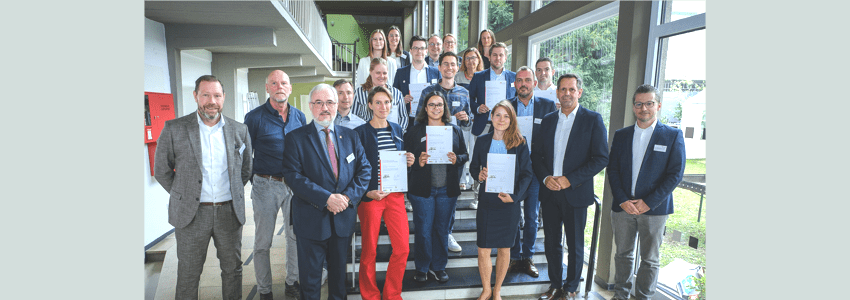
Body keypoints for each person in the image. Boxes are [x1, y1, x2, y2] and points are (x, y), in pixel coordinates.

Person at [153, 75, 252, 300]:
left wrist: (231, 193)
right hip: (192, 215)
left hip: (229, 213)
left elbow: (245, 170)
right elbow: (162, 171)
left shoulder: (239, 130)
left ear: (224, 98)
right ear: (196, 96)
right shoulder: (174, 129)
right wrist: (184, 196)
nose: (211, 101)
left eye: (217, 95)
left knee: (233, 271)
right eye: (205, 94)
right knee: (188, 274)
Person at [281, 84, 371, 300]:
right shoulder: (296, 138)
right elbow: (293, 177)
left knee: (338, 282)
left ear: (337, 105)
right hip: (311, 220)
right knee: (310, 282)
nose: (325, 107)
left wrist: (347, 197)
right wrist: (327, 198)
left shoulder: (350, 136)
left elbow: (364, 171)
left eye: (330, 102)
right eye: (319, 103)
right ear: (310, 106)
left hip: (342, 220)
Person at [532, 74, 609, 300]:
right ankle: (555, 284)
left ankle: (571, 287)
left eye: (571, 89)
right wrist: (546, 178)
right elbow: (536, 155)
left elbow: (601, 158)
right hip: (549, 192)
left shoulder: (592, 120)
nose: (566, 93)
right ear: (557, 93)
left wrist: (570, 179)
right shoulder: (547, 120)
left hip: (575, 192)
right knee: (552, 242)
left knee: (575, 245)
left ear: (579, 92)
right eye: (562, 89)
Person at [607, 84, 686, 300]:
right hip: (623, 208)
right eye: (639, 104)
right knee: (623, 255)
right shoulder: (621, 135)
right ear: (634, 107)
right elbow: (612, 169)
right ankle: (620, 295)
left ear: (658, 106)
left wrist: (649, 202)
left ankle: (643, 297)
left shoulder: (672, 136)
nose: (644, 108)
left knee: (650, 259)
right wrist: (622, 200)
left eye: (649, 103)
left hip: (655, 209)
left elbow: (675, 174)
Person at [243, 70, 308, 299]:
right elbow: (244, 154)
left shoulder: (299, 117)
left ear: (290, 88)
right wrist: (255, 180)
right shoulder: (254, 118)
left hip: (294, 186)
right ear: (267, 88)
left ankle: (292, 283)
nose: (279, 86)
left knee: (295, 237)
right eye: (274, 83)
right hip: (265, 186)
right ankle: (264, 290)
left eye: (283, 83)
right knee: (263, 241)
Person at [353, 86, 415, 300]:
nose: (383, 107)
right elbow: (353, 169)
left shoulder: (397, 129)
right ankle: (369, 295)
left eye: (387, 102)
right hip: (371, 197)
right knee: (369, 250)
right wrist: (366, 193)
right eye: (378, 102)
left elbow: (398, 163)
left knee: (402, 249)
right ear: (369, 105)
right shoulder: (359, 132)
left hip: (395, 195)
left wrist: (408, 161)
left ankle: (392, 294)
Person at [403, 90, 469, 283]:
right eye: (431, 105)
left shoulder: (454, 130)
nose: (435, 108)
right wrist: (417, 162)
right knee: (423, 230)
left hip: (446, 191)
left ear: (444, 108)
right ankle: (422, 267)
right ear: (425, 108)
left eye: (439, 105)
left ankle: (439, 266)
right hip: (422, 191)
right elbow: (405, 158)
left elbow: (465, 155)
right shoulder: (415, 131)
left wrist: (457, 159)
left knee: (441, 230)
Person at [469, 100, 533, 300]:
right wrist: (478, 175)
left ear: (511, 119)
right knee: (483, 249)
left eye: (506, 116)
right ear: (491, 117)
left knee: (505, 249)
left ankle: (497, 290)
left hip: (508, 203)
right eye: (497, 115)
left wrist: (514, 198)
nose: (501, 119)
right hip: (487, 203)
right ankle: (486, 289)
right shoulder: (482, 141)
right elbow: (473, 167)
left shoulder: (520, 143)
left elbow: (527, 174)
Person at [414, 51, 472, 253]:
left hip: (452, 156)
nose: (449, 67)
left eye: (452, 64)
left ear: (457, 68)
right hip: (431, 156)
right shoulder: (428, 92)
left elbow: (468, 123)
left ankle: (447, 233)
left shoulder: (464, 92)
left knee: (450, 198)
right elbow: (418, 122)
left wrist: (465, 119)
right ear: (439, 67)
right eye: (445, 64)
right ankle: (431, 241)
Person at [504, 66, 558, 279]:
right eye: (519, 80)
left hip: (536, 170)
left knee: (532, 216)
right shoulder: (507, 106)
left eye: (527, 80)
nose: (523, 84)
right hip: (512, 168)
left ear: (535, 83)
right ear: (514, 83)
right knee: (513, 214)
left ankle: (527, 257)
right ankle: (514, 256)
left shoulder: (548, 106)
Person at [467, 42, 516, 210]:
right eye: (494, 55)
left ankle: (504, 192)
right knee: (480, 162)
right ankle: (476, 196)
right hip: (483, 124)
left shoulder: (513, 77)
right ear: (489, 56)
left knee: (504, 158)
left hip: (505, 127)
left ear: (506, 57)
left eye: (501, 55)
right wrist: (477, 108)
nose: (498, 58)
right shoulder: (479, 76)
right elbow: (470, 99)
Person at [393, 35, 441, 133]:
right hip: (408, 121)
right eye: (415, 48)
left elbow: (441, 95)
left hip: (430, 120)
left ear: (426, 51)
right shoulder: (401, 73)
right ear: (410, 50)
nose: (419, 51)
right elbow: (393, 96)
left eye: (422, 48)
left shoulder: (436, 72)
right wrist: (402, 100)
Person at [352, 57, 408, 130]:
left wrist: (397, 135)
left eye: (384, 73)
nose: (382, 76)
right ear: (370, 72)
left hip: (391, 138)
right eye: (378, 73)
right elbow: (353, 118)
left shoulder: (397, 93)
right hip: (366, 138)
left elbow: (403, 117)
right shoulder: (359, 93)